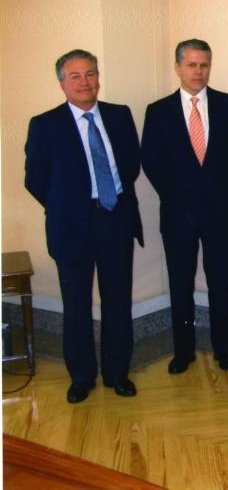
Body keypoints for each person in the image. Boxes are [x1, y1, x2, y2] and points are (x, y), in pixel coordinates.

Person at [25, 49, 143, 403]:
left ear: (98, 78)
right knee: (76, 304)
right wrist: (70, 206)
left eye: (90, 73)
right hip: (71, 226)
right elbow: (35, 180)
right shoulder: (45, 125)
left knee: (118, 300)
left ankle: (117, 373)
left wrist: (112, 202)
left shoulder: (119, 115)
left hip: (115, 219)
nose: (84, 82)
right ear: (62, 83)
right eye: (75, 76)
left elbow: (131, 165)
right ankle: (81, 377)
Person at [141, 39, 228, 374]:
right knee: (180, 284)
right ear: (178, 67)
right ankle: (183, 352)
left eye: (204, 65)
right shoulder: (158, 111)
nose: (199, 72)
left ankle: (224, 350)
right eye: (192, 65)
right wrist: (178, 194)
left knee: (220, 283)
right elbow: (151, 161)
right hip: (177, 214)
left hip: (220, 213)